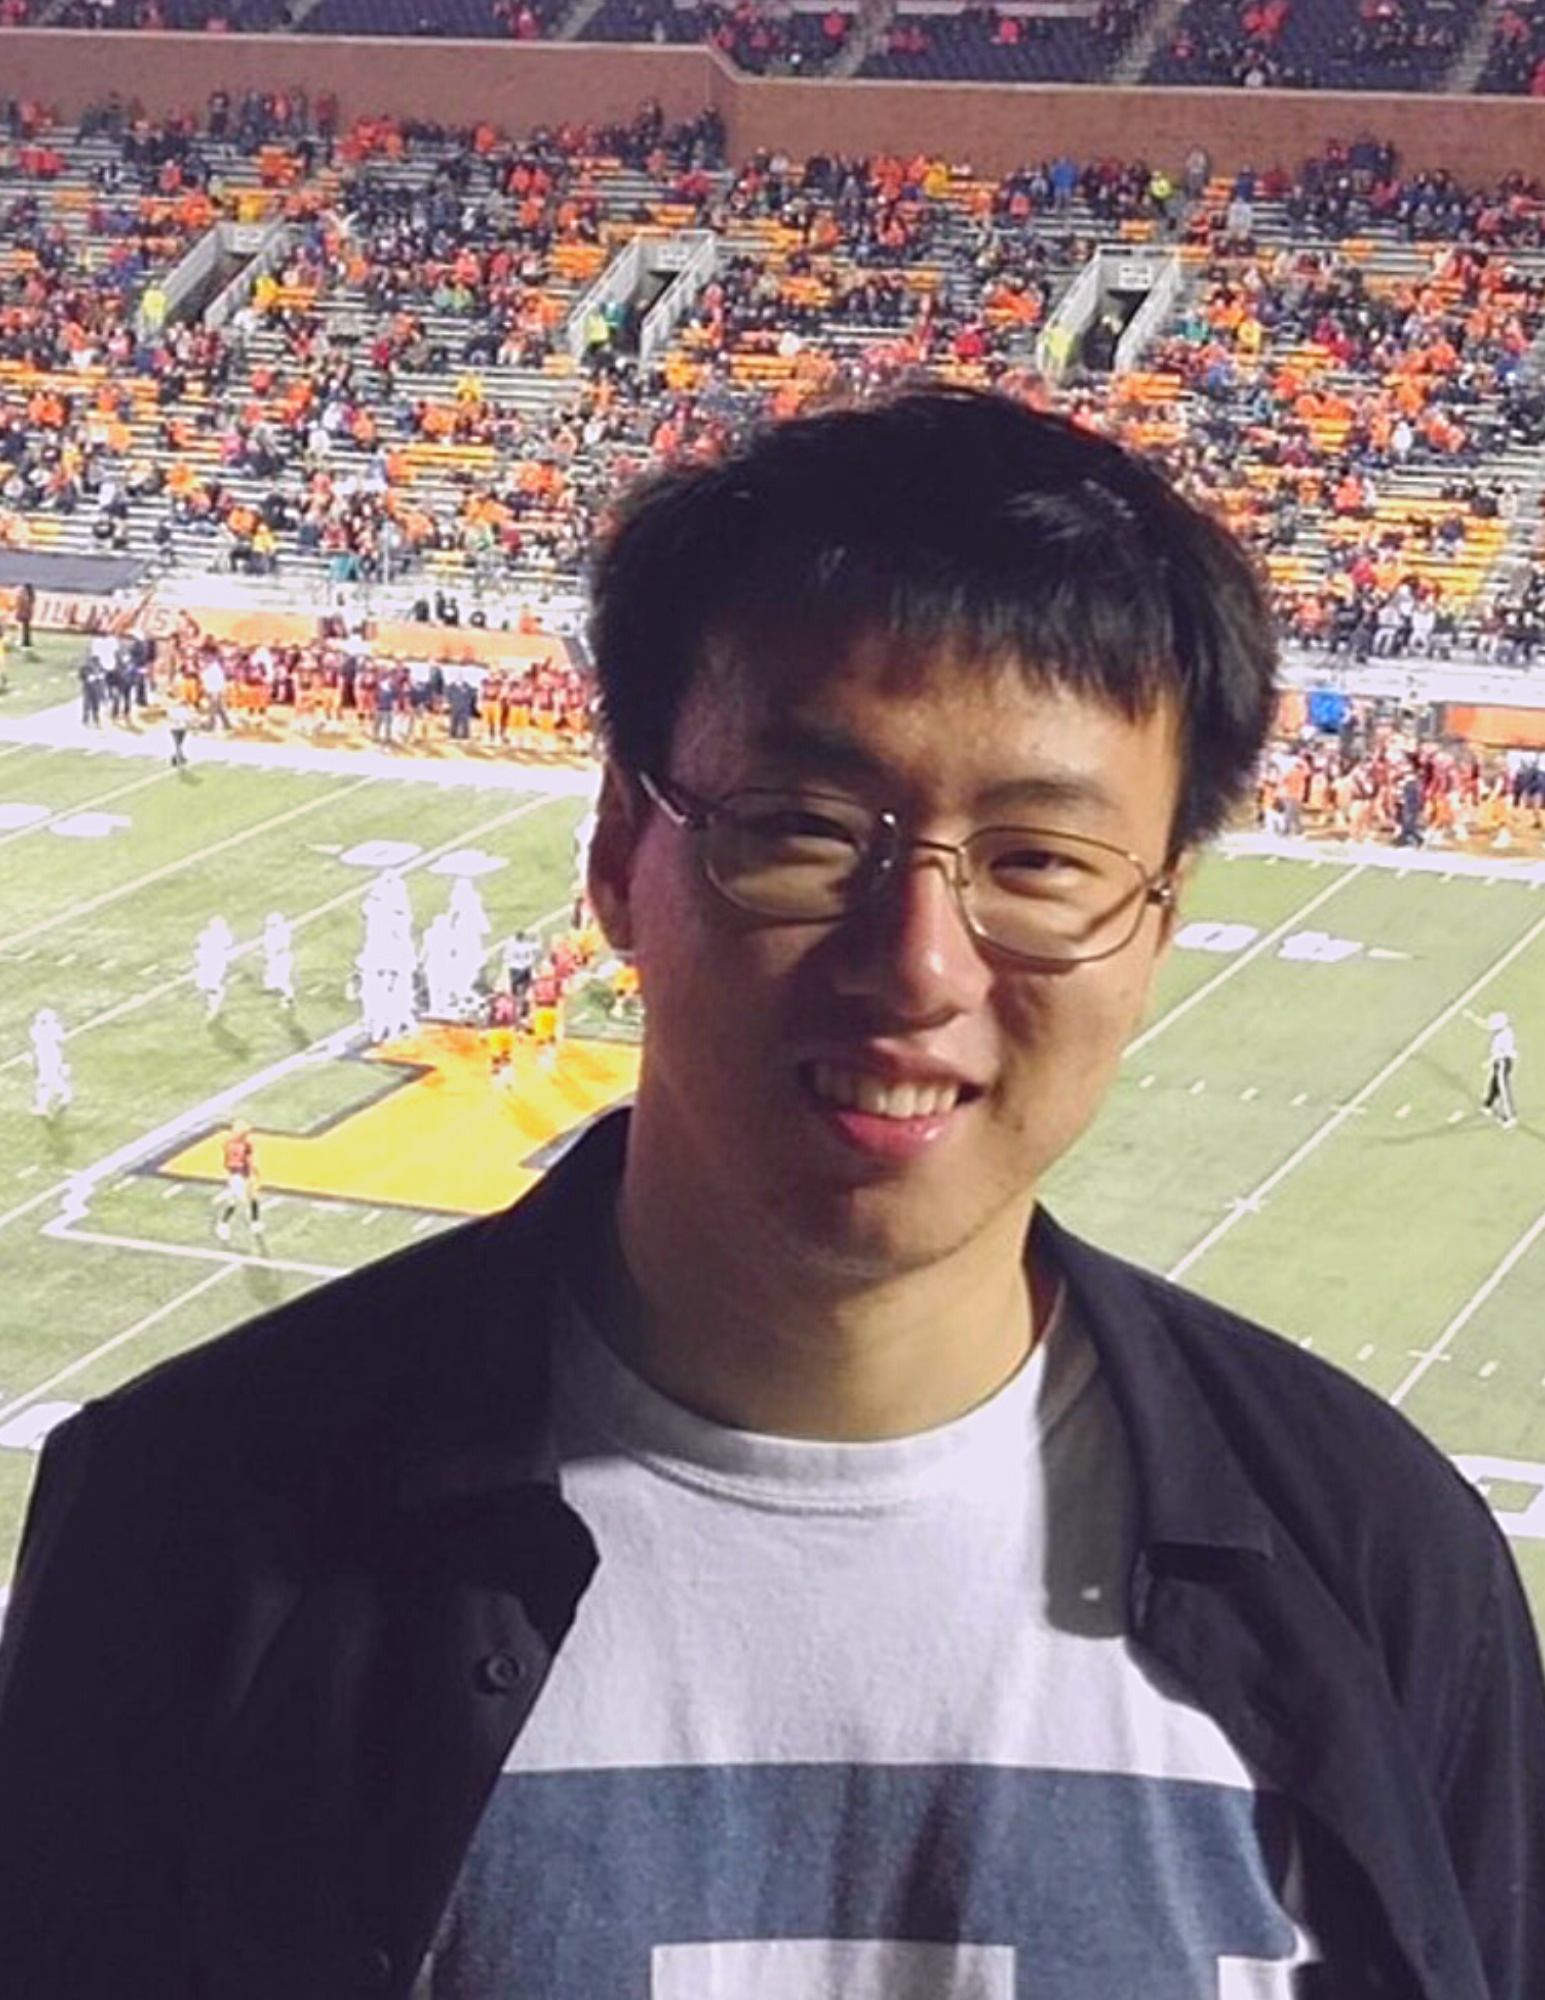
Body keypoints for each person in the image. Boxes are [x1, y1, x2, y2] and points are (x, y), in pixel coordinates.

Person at [0, 388, 1541, 2000]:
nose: (918, 963)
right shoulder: (190, 1528)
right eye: (804, 830)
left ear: (1154, 927)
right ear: (617, 855)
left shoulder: (1380, 1565)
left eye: (1038, 862)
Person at [212, 1119, 264, 1245]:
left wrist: (253, 1173)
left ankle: (255, 1221)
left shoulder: (238, 1144)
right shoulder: (234, 1145)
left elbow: (249, 1160)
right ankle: (223, 1224)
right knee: (238, 1200)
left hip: (243, 1174)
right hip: (236, 1175)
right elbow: (233, 1161)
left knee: (253, 1197)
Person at [1467, 1007, 1519, 1127]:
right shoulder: (1502, 1030)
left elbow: (1501, 1054)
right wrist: (1472, 1017)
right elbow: (1485, 1025)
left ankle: (1509, 1116)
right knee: (1494, 1083)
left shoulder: (1504, 1037)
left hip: (1503, 1063)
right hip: (1499, 1062)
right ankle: (1488, 1104)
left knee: (1503, 1088)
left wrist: (1488, 1062)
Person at [27, 1007, 70, 1117]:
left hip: (44, 1056)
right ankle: (64, 1096)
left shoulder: (36, 1029)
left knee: (45, 1082)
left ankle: (42, 1107)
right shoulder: (55, 1028)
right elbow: (62, 1040)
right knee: (54, 1077)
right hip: (54, 1055)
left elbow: (34, 1043)